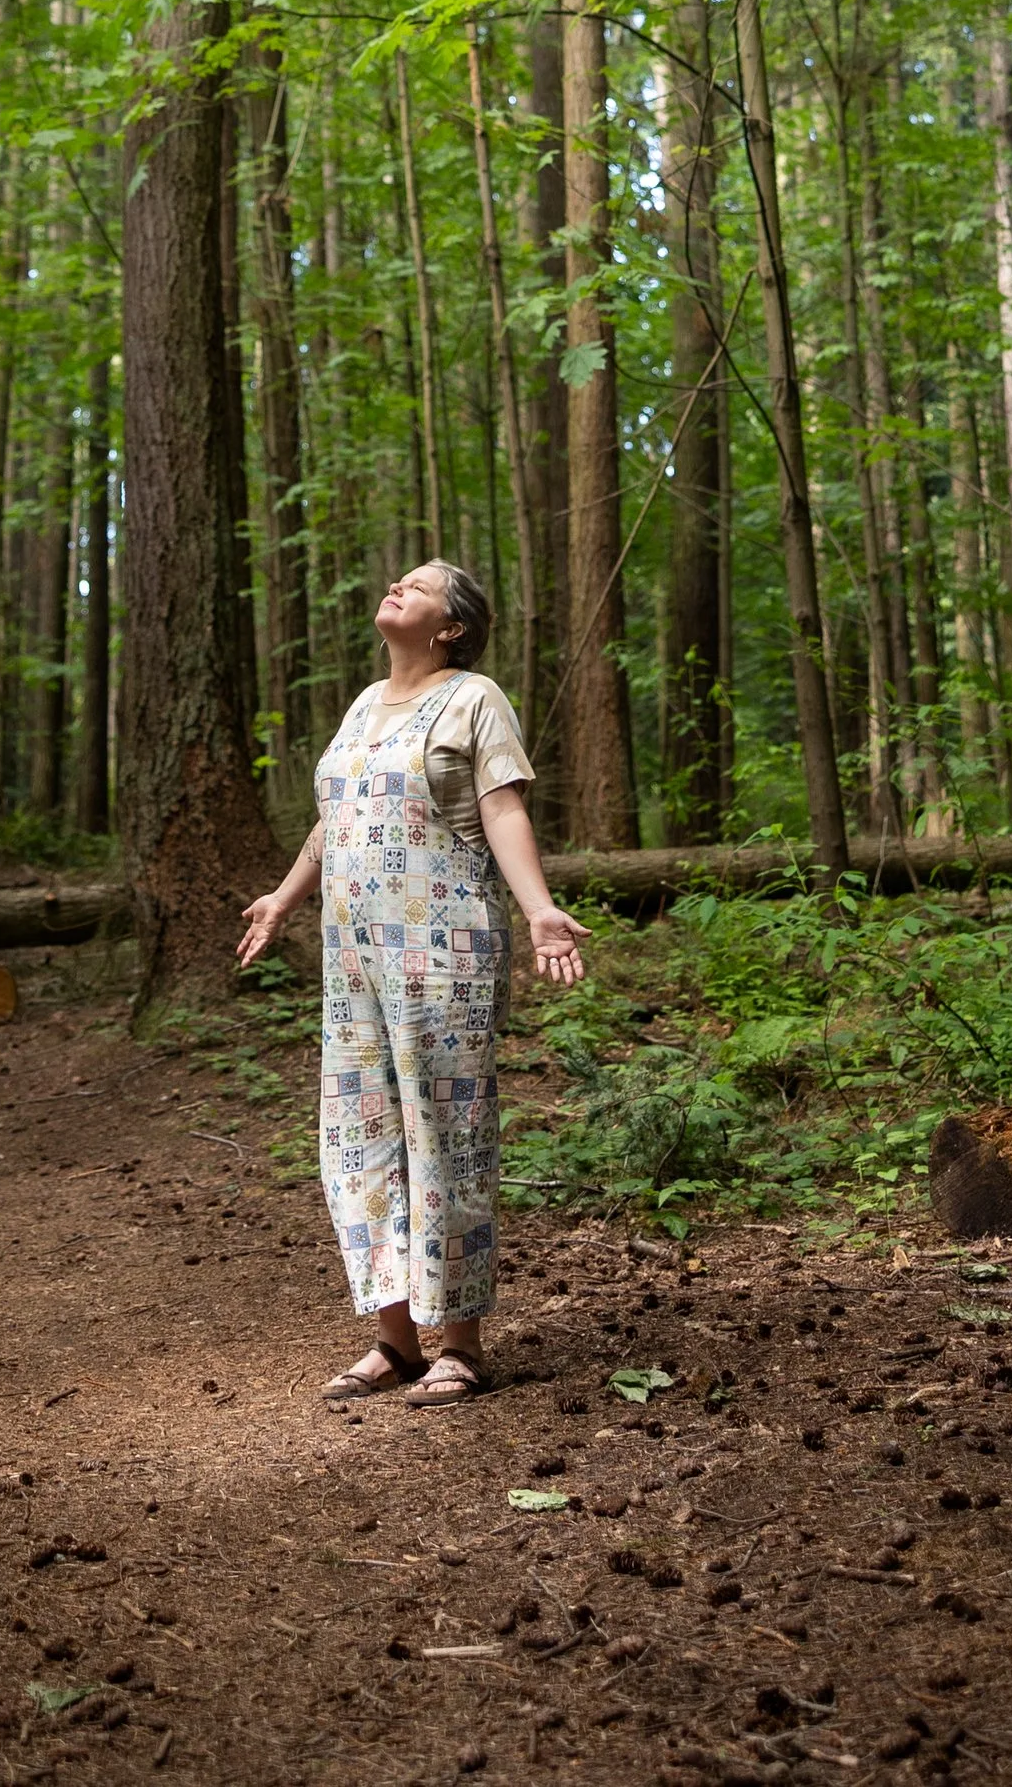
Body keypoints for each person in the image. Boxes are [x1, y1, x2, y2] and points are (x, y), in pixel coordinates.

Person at [238, 559, 589, 1402]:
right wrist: (284, 899)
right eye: (398, 579)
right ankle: (394, 1340)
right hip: (352, 961)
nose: (396, 586)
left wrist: (538, 907)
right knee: (357, 1137)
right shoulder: (363, 704)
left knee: (445, 1136)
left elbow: (504, 807)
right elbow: (338, 818)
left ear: (451, 627)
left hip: (444, 955)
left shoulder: (474, 698)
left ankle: (459, 1344)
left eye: (419, 586)